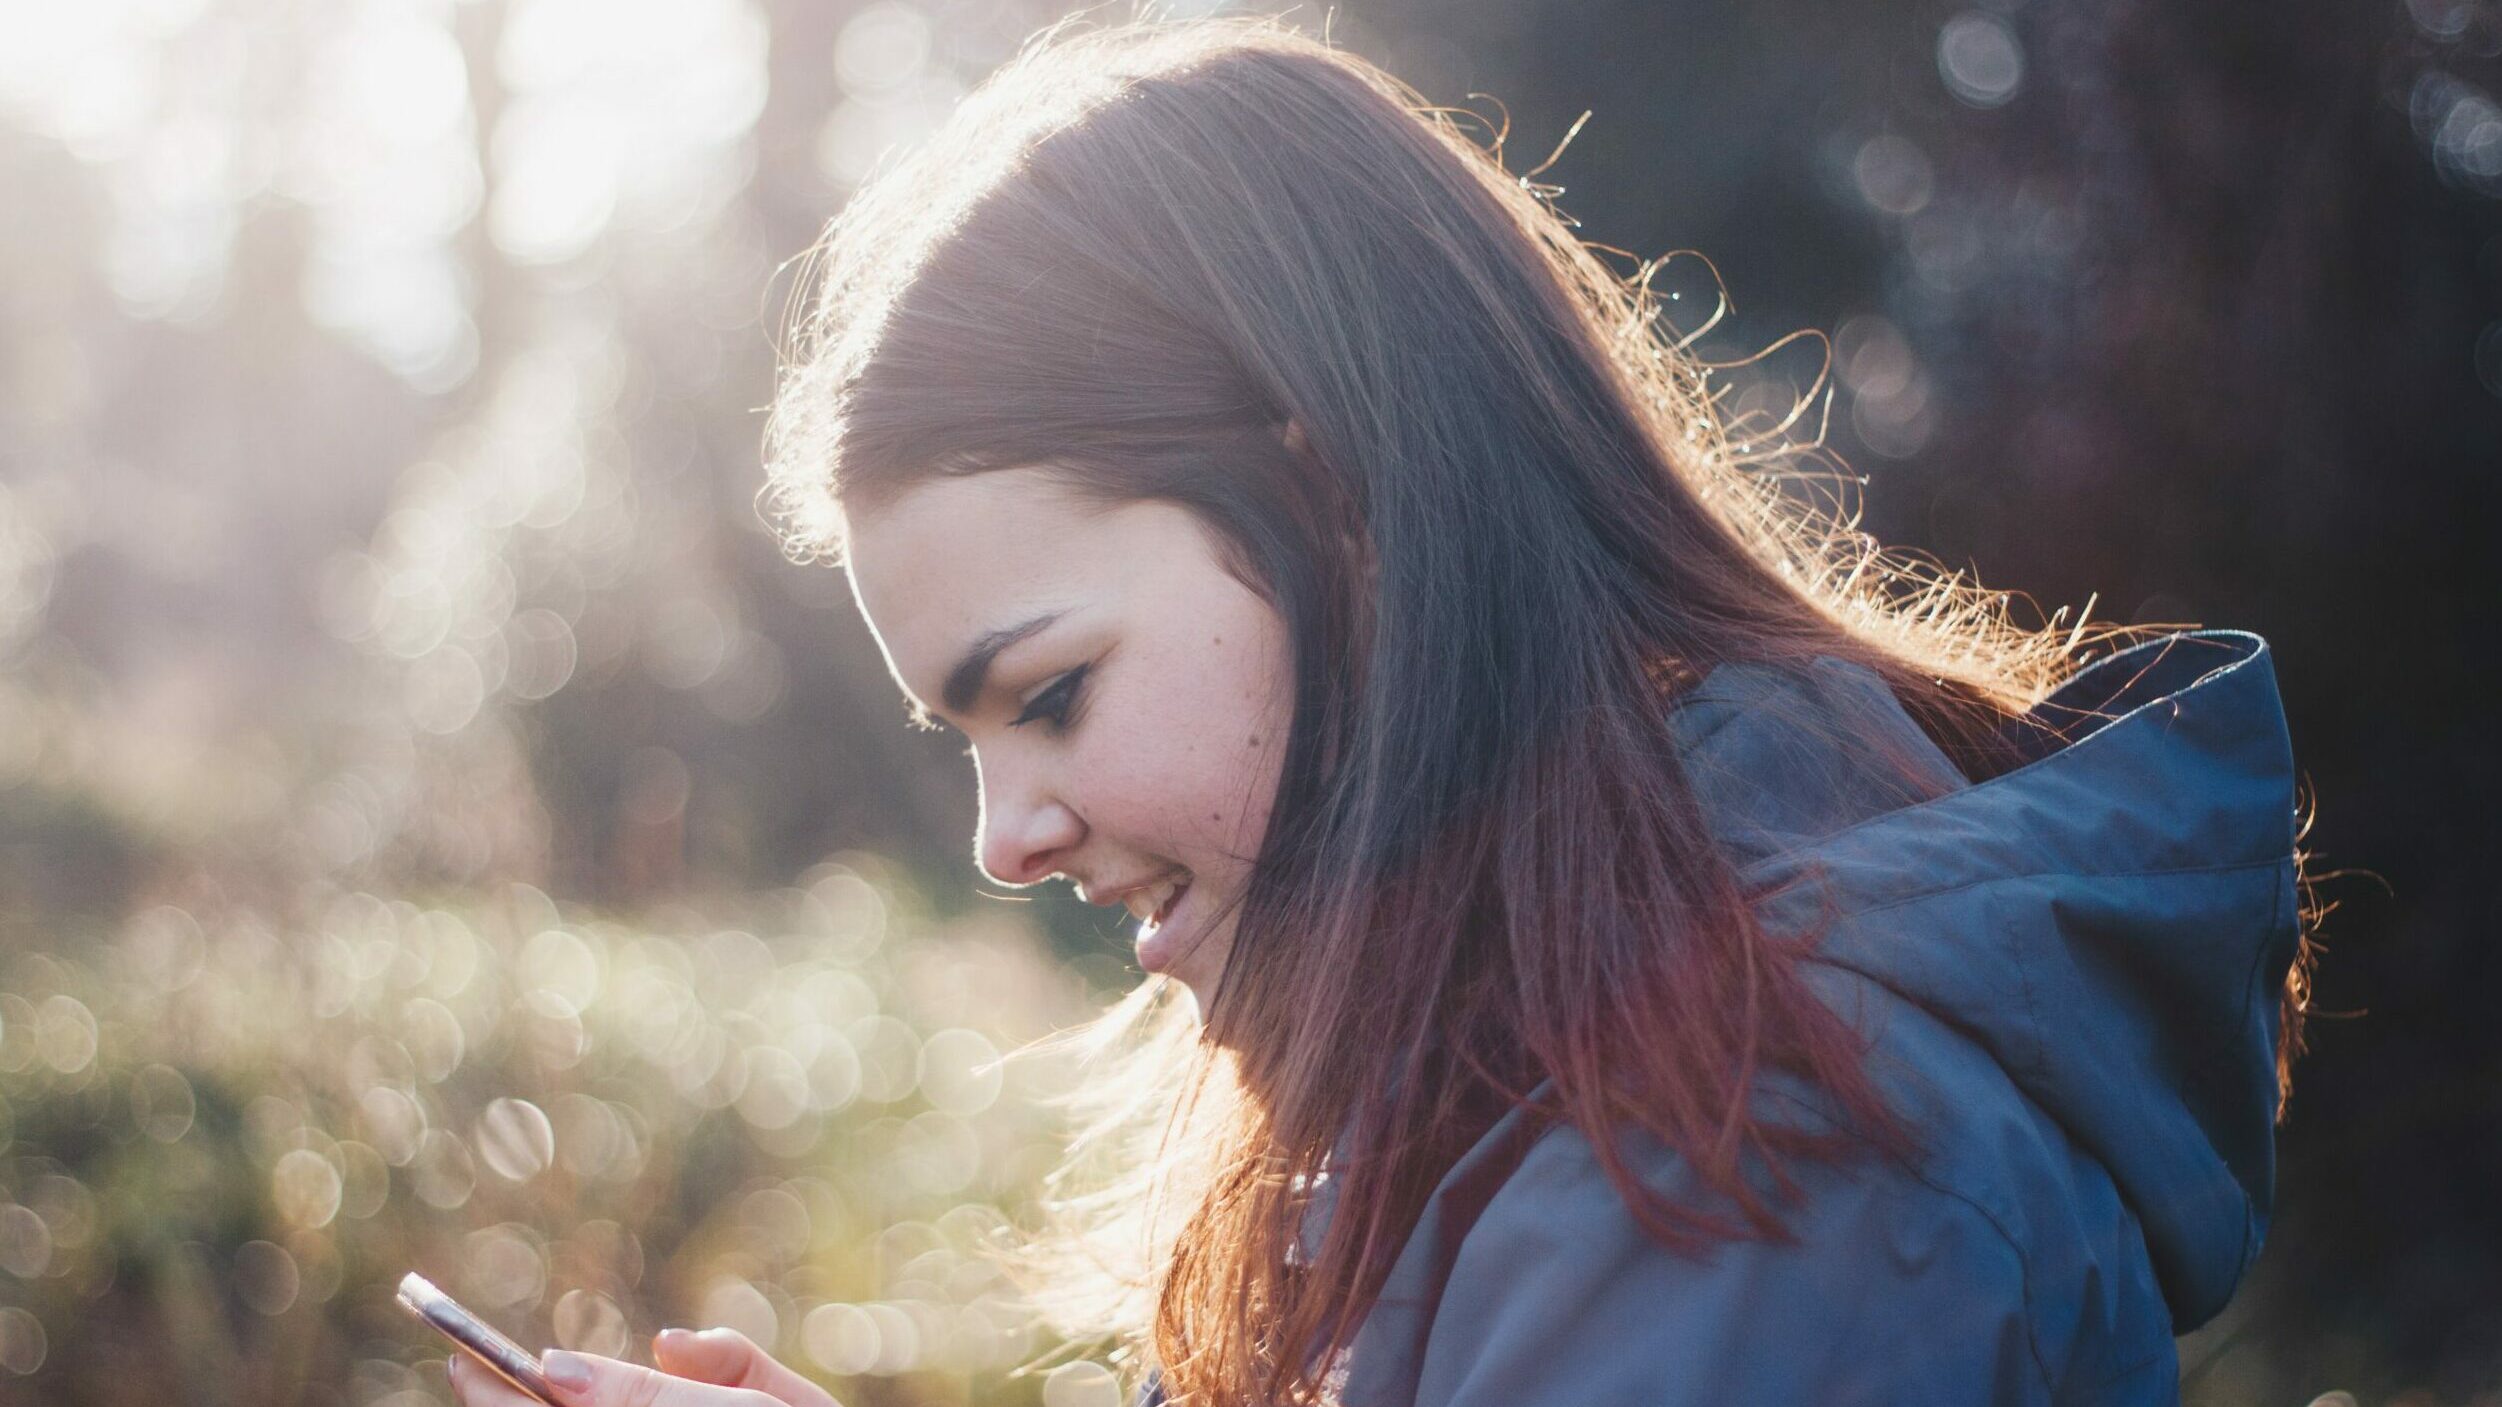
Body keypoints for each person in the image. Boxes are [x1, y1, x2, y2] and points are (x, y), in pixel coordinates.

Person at [447, 15, 2314, 1407]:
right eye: (972, 745)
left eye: (1048, 694)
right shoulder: (1566, 1062)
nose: (1003, 836)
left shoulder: (1752, 1168)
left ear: (1341, 505)